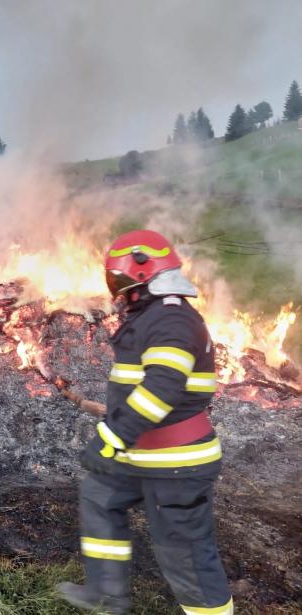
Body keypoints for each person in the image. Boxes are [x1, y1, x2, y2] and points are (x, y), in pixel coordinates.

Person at [56, 230, 231, 615]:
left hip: (177, 461)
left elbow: (164, 387)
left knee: (183, 553)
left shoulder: (171, 320)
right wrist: (117, 428)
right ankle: (106, 596)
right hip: (145, 452)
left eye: (120, 281)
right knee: (100, 496)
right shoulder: (156, 315)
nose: (117, 291)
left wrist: (113, 436)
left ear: (143, 272)